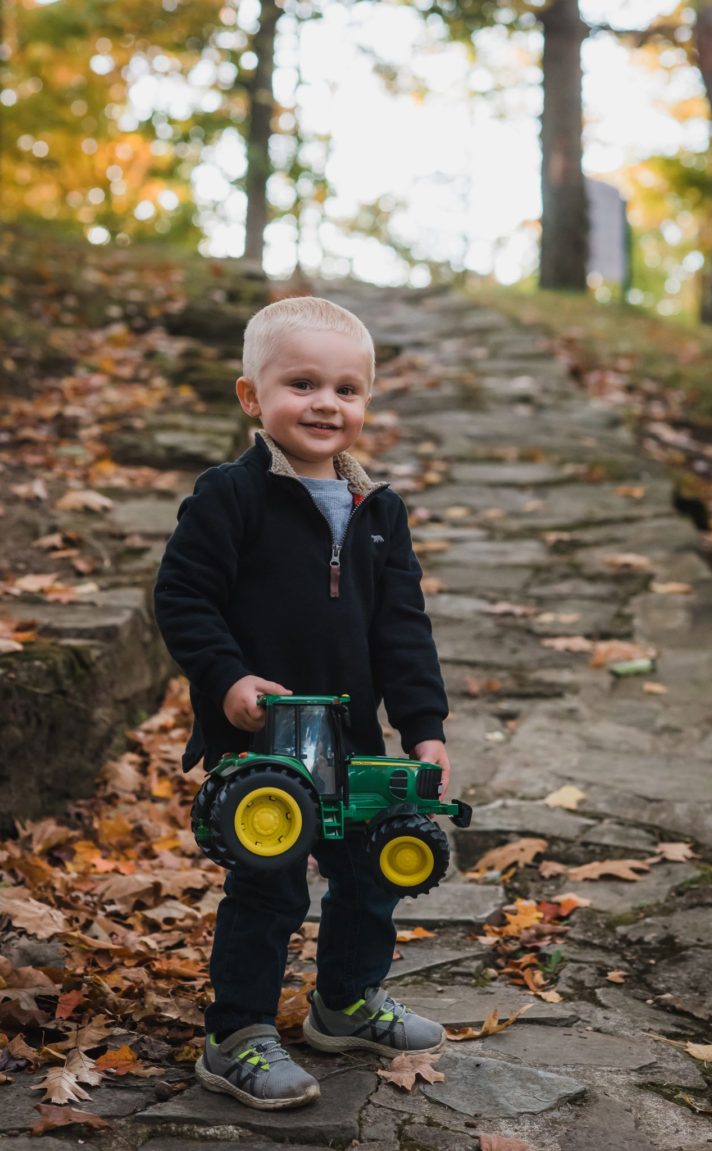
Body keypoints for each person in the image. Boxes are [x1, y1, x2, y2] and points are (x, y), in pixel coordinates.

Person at [154, 296, 451, 1111]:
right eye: (303, 383)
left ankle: (345, 1002)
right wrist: (228, 679)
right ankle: (237, 1033)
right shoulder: (231, 496)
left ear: (365, 402)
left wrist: (424, 727)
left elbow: (403, 630)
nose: (327, 403)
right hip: (265, 740)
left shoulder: (377, 511)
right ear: (253, 397)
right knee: (271, 887)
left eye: (347, 389)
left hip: (352, 737)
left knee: (368, 876)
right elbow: (183, 597)